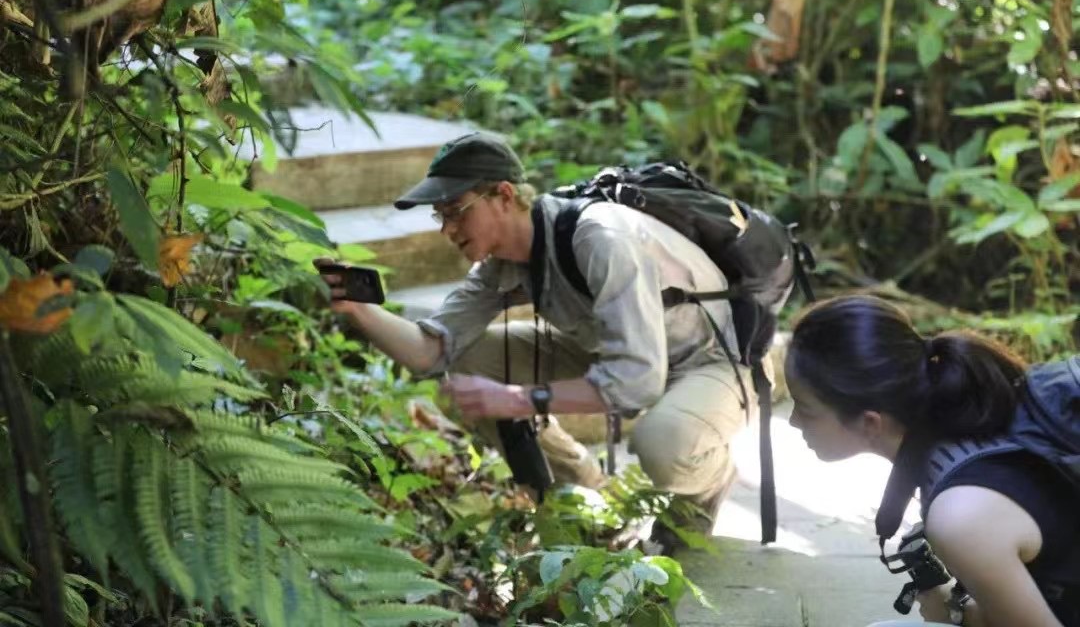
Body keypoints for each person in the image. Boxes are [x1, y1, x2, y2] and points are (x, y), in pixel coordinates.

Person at [320, 132, 754, 533]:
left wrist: (517, 400)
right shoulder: (500, 265)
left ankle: (706, 484)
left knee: (662, 441)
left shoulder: (599, 237)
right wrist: (359, 310)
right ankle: (582, 492)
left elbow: (636, 383)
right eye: (440, 215)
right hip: (615, 352)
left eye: (455, 211)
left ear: (504, 196)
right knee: (471, 359)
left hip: (709, 363)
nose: (446, 229)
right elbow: (431, 351)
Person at [784, 294, 1079, 627]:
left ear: (870, 423)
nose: (794, 421)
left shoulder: (960, 516)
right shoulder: (976, 414)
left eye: (805, 409)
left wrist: (955, 613)